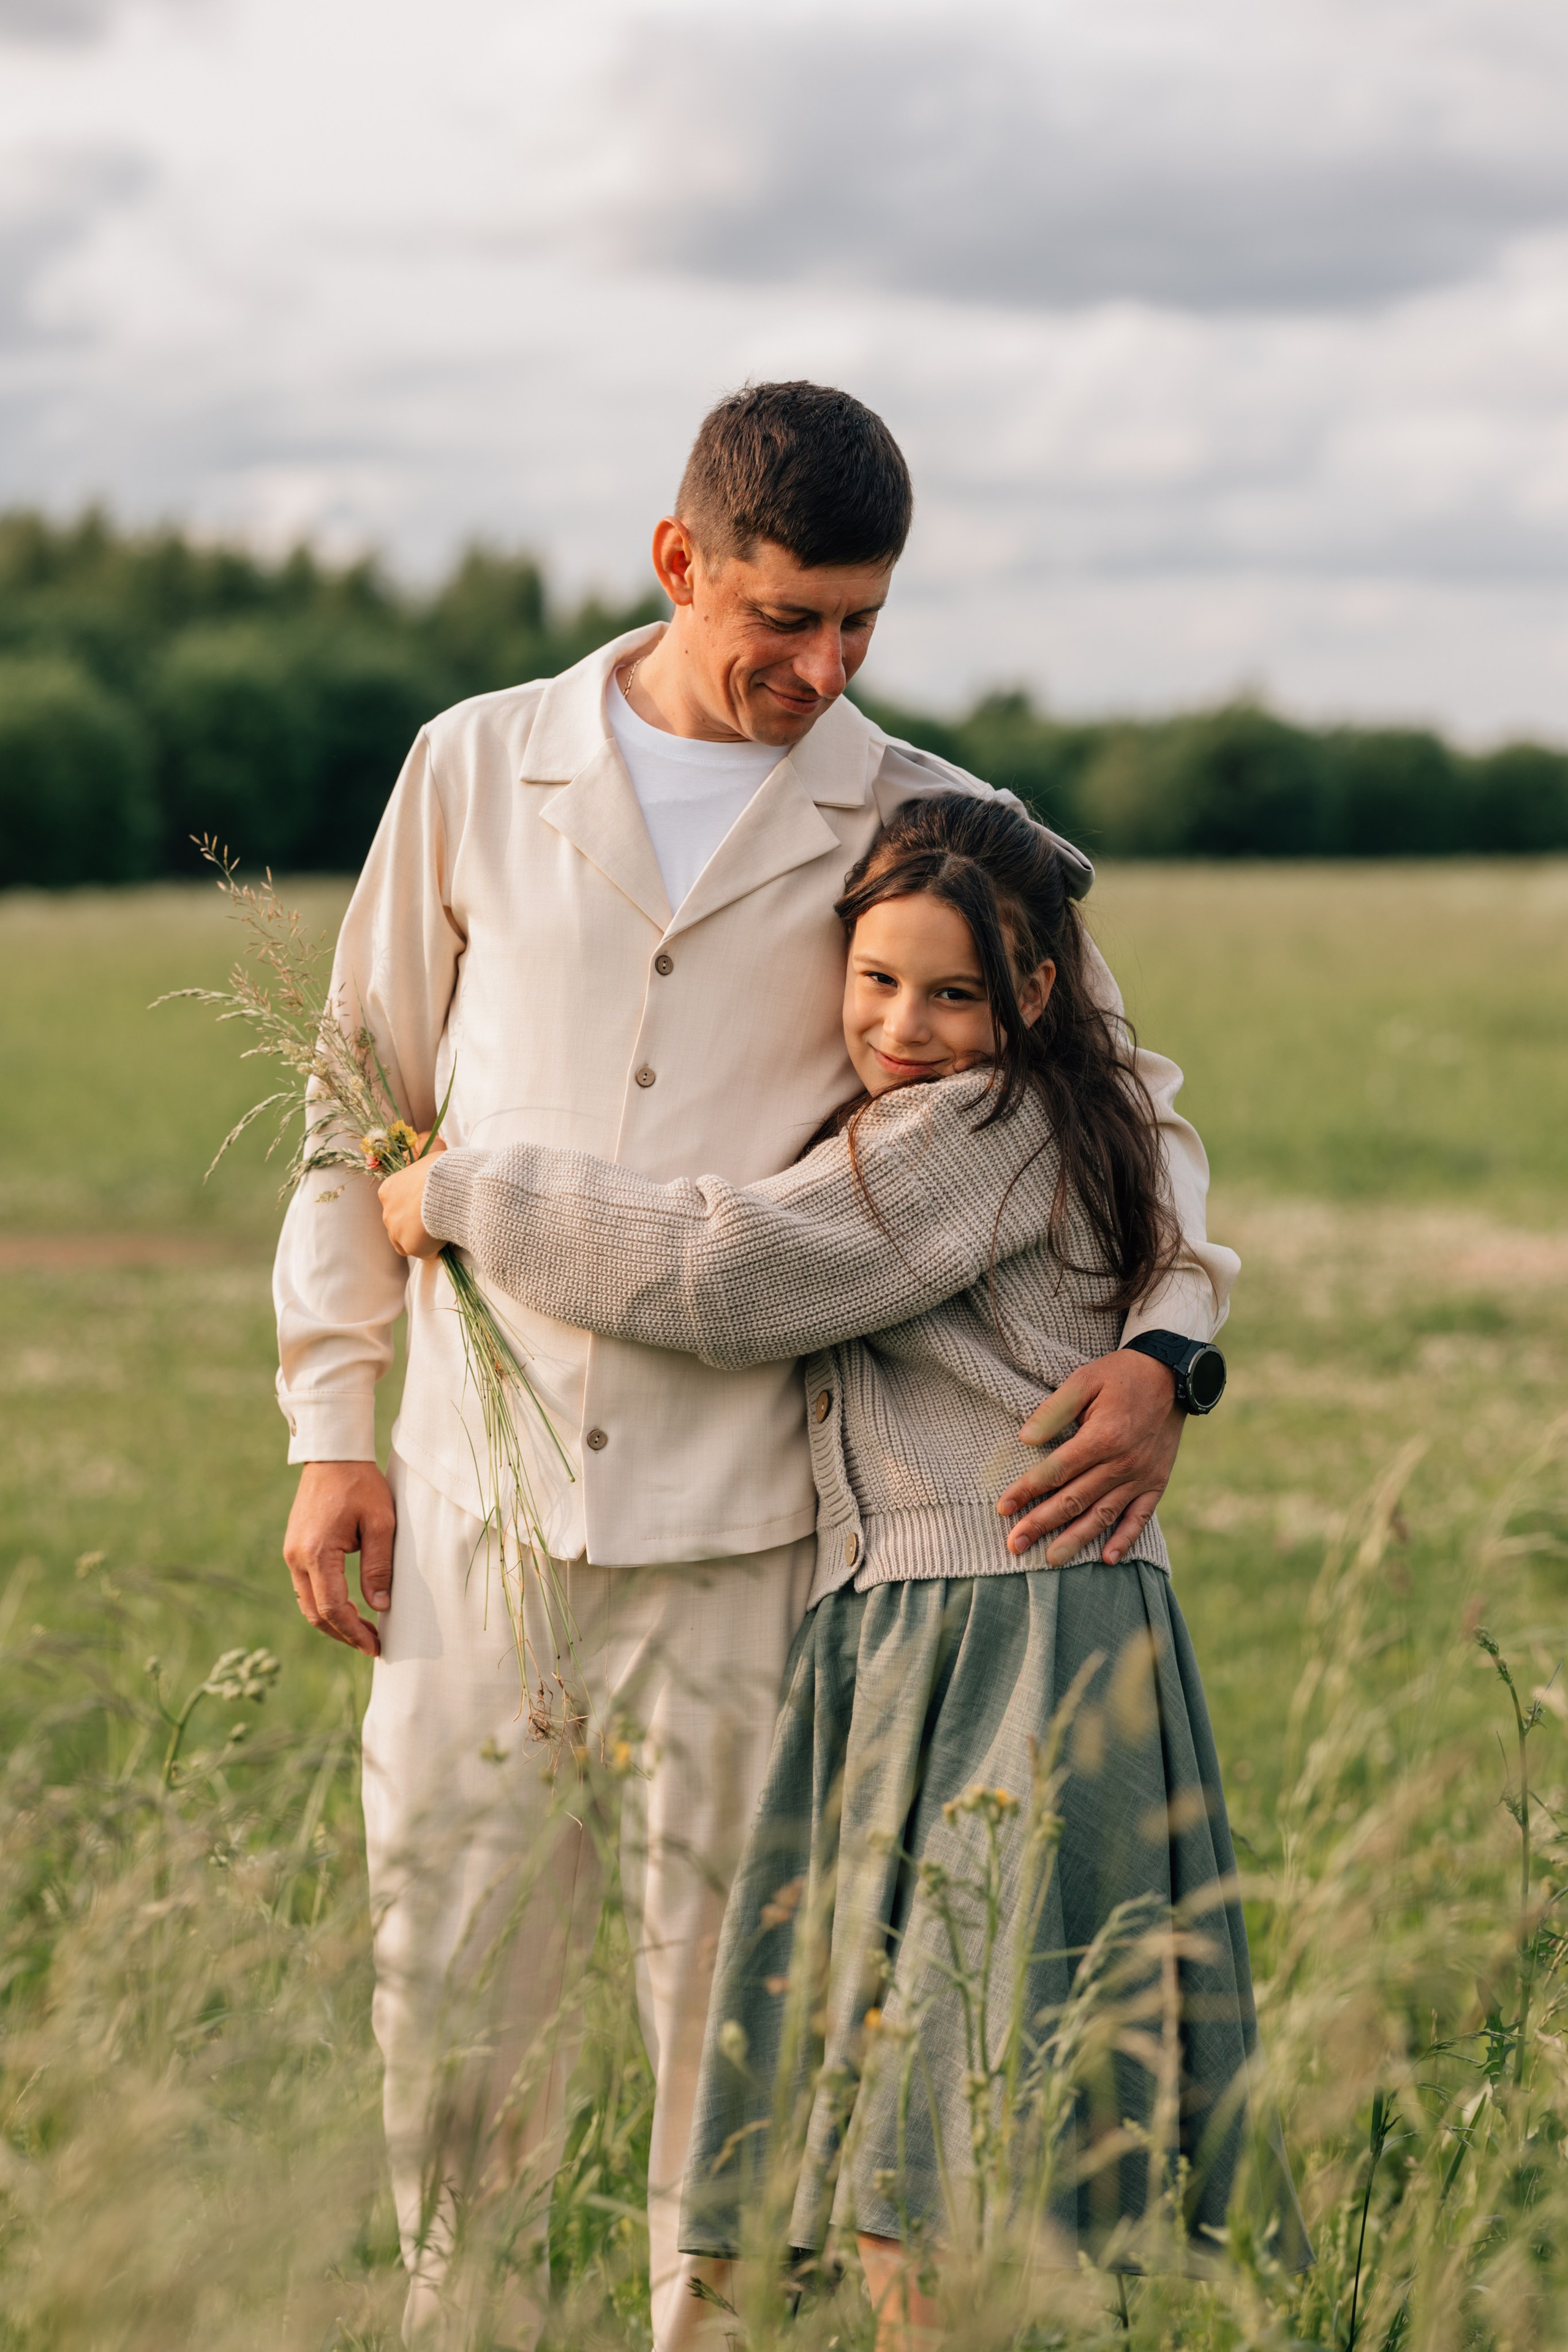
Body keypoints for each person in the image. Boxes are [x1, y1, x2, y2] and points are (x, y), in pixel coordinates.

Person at [275, 382, 1238, 2351]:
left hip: (767, 1539)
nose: (822, 667)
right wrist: (330, 1425)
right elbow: (352, 1104)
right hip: (482, 1515)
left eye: (862, 626)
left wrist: (1165, 1354)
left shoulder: (933, 821)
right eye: (782, 619)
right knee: (452, 2022)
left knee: (743, 2051)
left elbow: (1130, 1111)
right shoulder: (474, 765)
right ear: (677, 561)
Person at [378, 793, 1305, 2346]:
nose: (903, 1026)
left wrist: (466, 1192)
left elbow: (729, 1270)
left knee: (932, 2152)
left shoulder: (982, 1127)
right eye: (875, 982)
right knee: (909, 2116)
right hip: (936, 1623)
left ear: (1032, 994)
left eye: (952, 992)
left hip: (1008, 1625)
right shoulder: (1008, 1115)